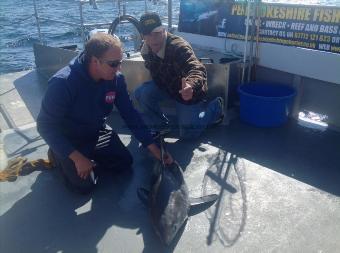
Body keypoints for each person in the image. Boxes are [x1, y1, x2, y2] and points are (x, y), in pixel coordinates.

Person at [37, 33, 172, 194]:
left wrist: (153, 148)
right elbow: (45, 126)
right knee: (84, 186)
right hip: (69, 139)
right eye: (113, 64)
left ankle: (89, 157)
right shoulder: (63, 83)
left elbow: (130, 114)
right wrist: (78, 158)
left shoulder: (116, 79)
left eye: (120, 62)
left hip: (96, 132)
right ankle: (59, 155)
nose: (119, 69)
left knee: (124, 163)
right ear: (95, 61)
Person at [134, 12, 224, 139]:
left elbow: (197, 68)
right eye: (149, 34)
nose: (154, 38)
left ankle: (215, 107)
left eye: (157, 33)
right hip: (166, 87)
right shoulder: (146, 50)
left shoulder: (178, 47)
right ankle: (161, 126)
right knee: (141, 93)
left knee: (189, 134)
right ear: (143, 36)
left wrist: (190, 86)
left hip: (187, 93)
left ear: (163, 30)